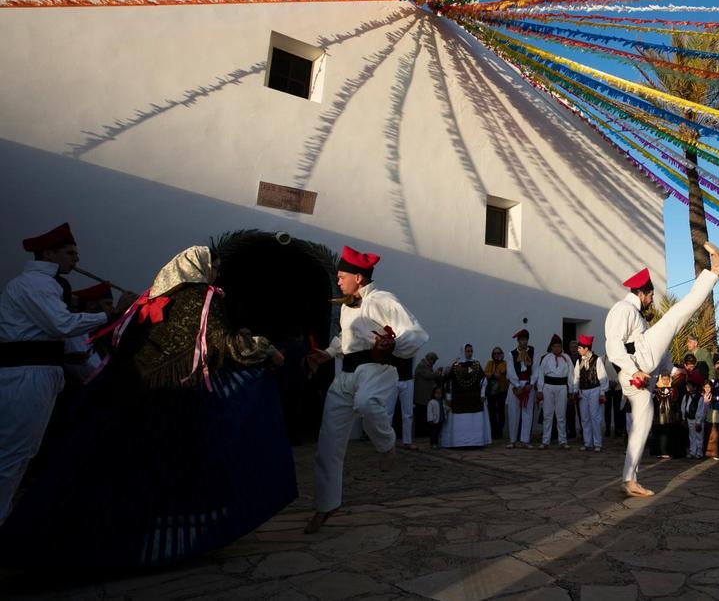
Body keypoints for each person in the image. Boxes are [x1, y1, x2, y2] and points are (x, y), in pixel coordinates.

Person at [0, 245, 295, 569]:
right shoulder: (200, 297)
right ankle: (164, 546)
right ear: (199, 269)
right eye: (213, 267)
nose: (215, 274)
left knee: (122, 476)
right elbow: (219, 345)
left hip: (133, 401)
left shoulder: (155, 300)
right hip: (170, 406)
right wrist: (266, 350)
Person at [0, 223, 131, 525]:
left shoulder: (47, 285)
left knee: (21, 452)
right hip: (25, 376)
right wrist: (111, 313)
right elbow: (61, 325)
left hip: (37, 373)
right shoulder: (36, 285)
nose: (76, 259)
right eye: (70, 252)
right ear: (48, 253)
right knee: (13, 453)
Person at [306, 246, 428, 534]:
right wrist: (327, 352)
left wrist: (393, 344)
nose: (338, 281)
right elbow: (345, 338)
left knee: (366, 404)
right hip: (346, 373)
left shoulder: (382, 299)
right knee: (328, 444)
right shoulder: (348, 306)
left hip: (375, 369)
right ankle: (326, 505)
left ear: (358, 277)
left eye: (342, 276)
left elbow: (415, 332)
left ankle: (387, 445)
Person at [605, 242, 719, 498]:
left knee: (642, 427)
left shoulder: (637, 316)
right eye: (651, 295)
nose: (652, 300)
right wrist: (633, 371)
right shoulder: (624, 308)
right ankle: (715, 272)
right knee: (675, 316)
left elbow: (659, 357)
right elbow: (614, 345)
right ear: (643, 292)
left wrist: (675, 371)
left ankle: (629, 479)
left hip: (641, 371)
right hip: (637, 367)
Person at [442, 344, 490, 448]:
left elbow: (483, 380)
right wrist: (449, 397)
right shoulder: (456, 366)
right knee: (461, 422)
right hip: (459, 399)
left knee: (473, 421)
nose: (469, 353)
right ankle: (459, 442)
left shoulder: (476, 365)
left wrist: (482, 394)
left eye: (471, 351)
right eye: (467, 351)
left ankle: (475, 442)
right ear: (463, 352)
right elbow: (449, 382)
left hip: (474, 398)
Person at [533, 334, 573, 449]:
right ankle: (545, 440)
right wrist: (540, 389)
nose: (557, 348)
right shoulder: (546, 358)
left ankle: (562, 441)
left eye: (559, 346)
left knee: (561, 415)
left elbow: (571, 375)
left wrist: (571, 390)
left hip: (562, 387)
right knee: (547, 415)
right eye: (554, 346)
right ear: (551, 347)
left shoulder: (567, 358)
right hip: (548, 387)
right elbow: (541, 374)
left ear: (561, 347)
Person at [573, 335, 611, 452]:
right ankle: (587, 442)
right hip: (582, 391)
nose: (578, 349)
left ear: (586, 348)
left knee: (595, 417)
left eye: (580, 347)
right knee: (584, 418)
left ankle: (597, 443)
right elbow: (576, 377)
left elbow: (603, 377)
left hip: (594, 390)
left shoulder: (597, 359)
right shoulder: (579, 360)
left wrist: (602, 392)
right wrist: (575, 390)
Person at [506, 329, 536, 448]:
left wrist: (531, 383)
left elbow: (535, 369)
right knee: (513, 412)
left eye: (526, 340)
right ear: (518, 341)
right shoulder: (511, 354)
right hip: (515, 386)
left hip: (528, 385)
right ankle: (513, 440)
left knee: (527, 412)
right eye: (522, 340)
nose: (524, 342)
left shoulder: (533, 353)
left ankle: (525, 440)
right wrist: (517, 385)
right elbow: (510, 371)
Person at [413, 351, 440, 438]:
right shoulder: (422, 365)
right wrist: (437, 373)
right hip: (421, 396)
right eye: (434, 361)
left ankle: (423, 433)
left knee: (424, 415)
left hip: (425, 396)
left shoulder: (427, 366)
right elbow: (428, 376)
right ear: (430, 359)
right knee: (420, 416)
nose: (434, 363)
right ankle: (419, 434)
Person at [483, 346, 509, 439]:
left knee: (501, 410)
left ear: (501, 354)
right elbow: (486, 373)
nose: (497, 355)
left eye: (499, 353)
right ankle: (494, 431)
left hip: (502, 390)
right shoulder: (490, 363)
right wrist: (493, 374)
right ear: (492, 355)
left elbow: (503, 371)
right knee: (492, 411)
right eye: (495, 353)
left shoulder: (504, 363)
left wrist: (498, 366)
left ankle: (500, 431)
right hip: (491, 391)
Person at [682, 378, 707, 459]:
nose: (687, 387)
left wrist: (698, 421)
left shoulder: (700, 397)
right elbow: (683, 407)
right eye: (687, 385)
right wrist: (684, 418)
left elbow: (700, 410)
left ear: (695, 387)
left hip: (697, 420)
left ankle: (699, 452)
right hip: (689, 419)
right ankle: (692, 451)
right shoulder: (686, 396)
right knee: (691, 436)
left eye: (689, 385)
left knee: (699, 436)